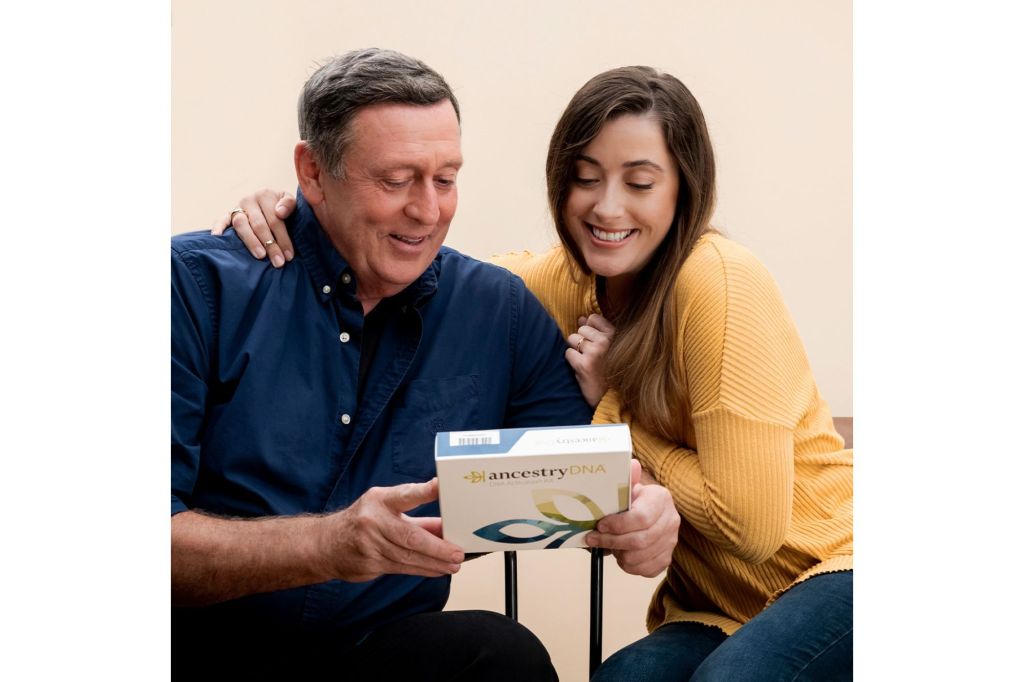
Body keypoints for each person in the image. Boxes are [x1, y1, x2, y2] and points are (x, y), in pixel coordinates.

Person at [223, 63, 853, 680]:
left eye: (640, 182)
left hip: (837, 571)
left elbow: (751, 527)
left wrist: (613, 407)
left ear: (683, 189)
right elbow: (420, 267)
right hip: (719, 611)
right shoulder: (558, 282)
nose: (607, 208)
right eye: (586, 178)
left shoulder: (719, 280)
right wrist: (295, 213)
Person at [173, 48, 680, 681]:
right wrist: (327, 546)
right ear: (312, 172)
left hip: (373, 656)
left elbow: (588, 481)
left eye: (445, 178)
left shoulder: (496, 309)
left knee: (499, 652)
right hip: (194, 653)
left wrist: (646, 513)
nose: (428, 209)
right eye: (396, 179)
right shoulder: (195, 287)